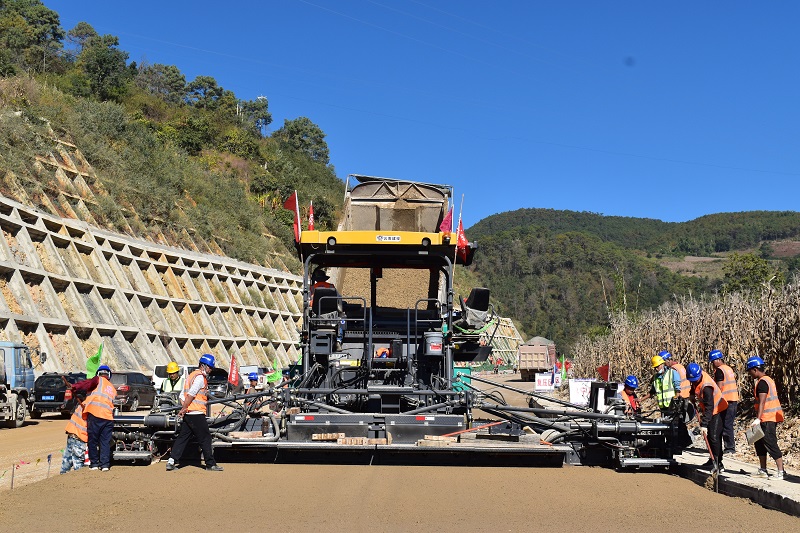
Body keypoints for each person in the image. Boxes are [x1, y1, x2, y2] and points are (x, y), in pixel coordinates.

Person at [166, 354, 223, 472]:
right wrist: (184, 408)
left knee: (182, 438)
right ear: (203, 366)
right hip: (196, 413)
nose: (211, 370)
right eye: (210, 367)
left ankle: (171, 461)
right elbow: (191, 394)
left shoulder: (191, 376)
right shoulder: (200, 378)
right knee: (205, 438)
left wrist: (185, 408)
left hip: (189, 414)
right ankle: (210, 464)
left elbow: (182, 395)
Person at [746, 356, 785, 480]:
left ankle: (781, 471)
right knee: (759, 443)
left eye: (750, 371)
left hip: (767, 418)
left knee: (770, 443)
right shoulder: (767, 380)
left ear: (755, 369)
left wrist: (758, 418)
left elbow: (762, 402)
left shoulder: (762, 383)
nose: (750, 374)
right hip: (765, 417)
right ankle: (763, 470)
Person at [73, 364, 117, 472]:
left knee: (92, 441)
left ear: (98, 373)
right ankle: (105, 465)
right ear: (109, 375)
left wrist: (74, 386)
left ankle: (94, 464)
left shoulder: (98, 380)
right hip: (108, 418)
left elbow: (86, 384)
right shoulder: (112, 388)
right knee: (105, 442)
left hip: (95, 415)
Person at [687, 362, 728, 473]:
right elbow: (694, 385)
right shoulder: (696, 378)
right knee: (710, 437)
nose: (694, 381)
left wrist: (704, 424)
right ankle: (712, 459)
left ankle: (718, 463)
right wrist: (691, 393)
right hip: (710, 410)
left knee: (714, 437)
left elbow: (710, 406)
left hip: (718, 409)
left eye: (695, 379)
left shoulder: (707, 387)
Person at [709, 349, 739, 454]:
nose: (712, 364)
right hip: (733, 399)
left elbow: (719, 387)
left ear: (717, 360)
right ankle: (729, 447)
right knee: (728, 424)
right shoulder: (728, 368)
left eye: (712, 362)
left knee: (726, 425)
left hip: (726, 401)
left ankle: (729, 448)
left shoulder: (719, 371)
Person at [60, 391, 88, 474]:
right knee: (78, 462)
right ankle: (78, 479)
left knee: (67, 459)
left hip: (71, 433)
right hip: (79, 437)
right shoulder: (92, 407)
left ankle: (62, 476)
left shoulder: (84, 404)